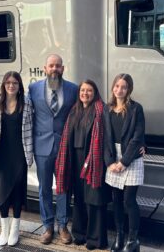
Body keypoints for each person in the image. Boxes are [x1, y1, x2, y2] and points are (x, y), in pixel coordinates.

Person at [55, 80, 110, 250]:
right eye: (83, 90)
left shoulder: (101, 110)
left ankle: (95, 239)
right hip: (76, 160)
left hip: (94, 161)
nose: (85, 93)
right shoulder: (74, 111)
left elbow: (108, 135)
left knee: (93, 200)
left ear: (95, 92)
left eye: (89, 90)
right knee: (78, 198)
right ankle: (79, 234)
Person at [29, 54, 78, 245]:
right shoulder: (33, 89)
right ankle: (47, 226)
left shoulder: (73, 89)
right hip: (42, 147)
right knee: (44, 189)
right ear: (45, 68)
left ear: (63, 69)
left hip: (64, 148)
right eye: (51, 66)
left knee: (63, 188)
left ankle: (63, 225)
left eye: (58, 66)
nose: (54, 69)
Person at [0, 71, 34, 246]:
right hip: (1, 153)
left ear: (19, 85)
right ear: (4, 85)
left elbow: (31, 128)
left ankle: (15, 228)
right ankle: (4, 228)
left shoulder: (27, 103)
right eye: (8, 83)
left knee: (17, 191)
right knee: (2, 191)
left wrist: (30, 152)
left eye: (15, 83)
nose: (11, 86)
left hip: (19, 153)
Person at [104, 73, 145, 252]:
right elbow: (104, 138)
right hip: (113, 157)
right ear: (113, 87)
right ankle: (119, 236)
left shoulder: (136, 109)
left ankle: (132, 240)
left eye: (124, 87)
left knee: (129, 201)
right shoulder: (107, 109)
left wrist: (124, 162)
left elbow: (137, 137)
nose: (119, 89)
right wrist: (110, 162)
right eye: (117, 86)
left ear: (129, 90)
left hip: (131, 157)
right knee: (116, 200)